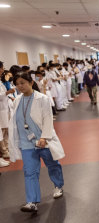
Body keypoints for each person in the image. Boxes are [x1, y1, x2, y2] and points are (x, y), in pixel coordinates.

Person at [8, 72, 65, 212]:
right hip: (26, 143)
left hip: (43, 141)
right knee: (29, 171)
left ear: (31, 83)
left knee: (52, 164)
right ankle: (32, 201)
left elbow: (48, 119)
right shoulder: (17, 100)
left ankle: (58, 185)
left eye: (23, 83)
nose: (20, 86)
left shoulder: (43, 98)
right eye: (17, 84)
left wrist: (44, 137)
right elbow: (17, 123)